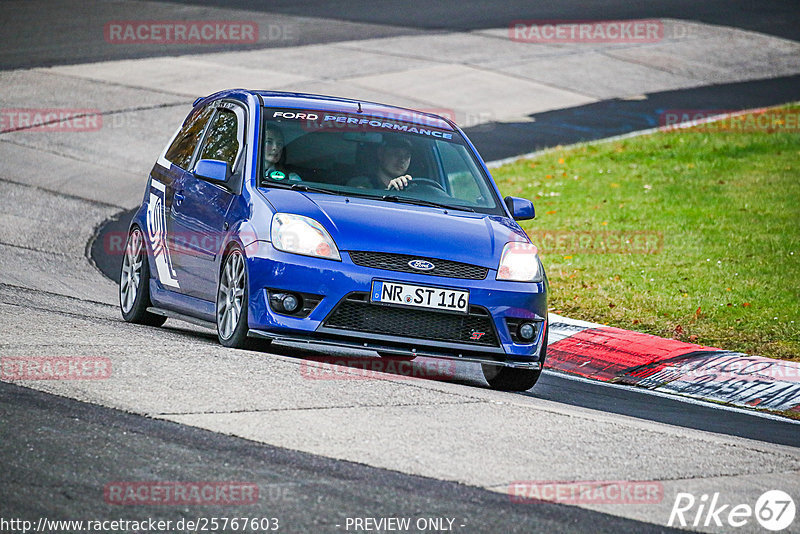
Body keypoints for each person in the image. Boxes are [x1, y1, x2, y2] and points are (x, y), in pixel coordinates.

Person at [348, 136, 414, 190]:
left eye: (407, 156)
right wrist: (389, 191)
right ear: (381, 154)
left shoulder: (412, 188)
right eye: (396, 154)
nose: (402, 160)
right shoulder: (361, 183)